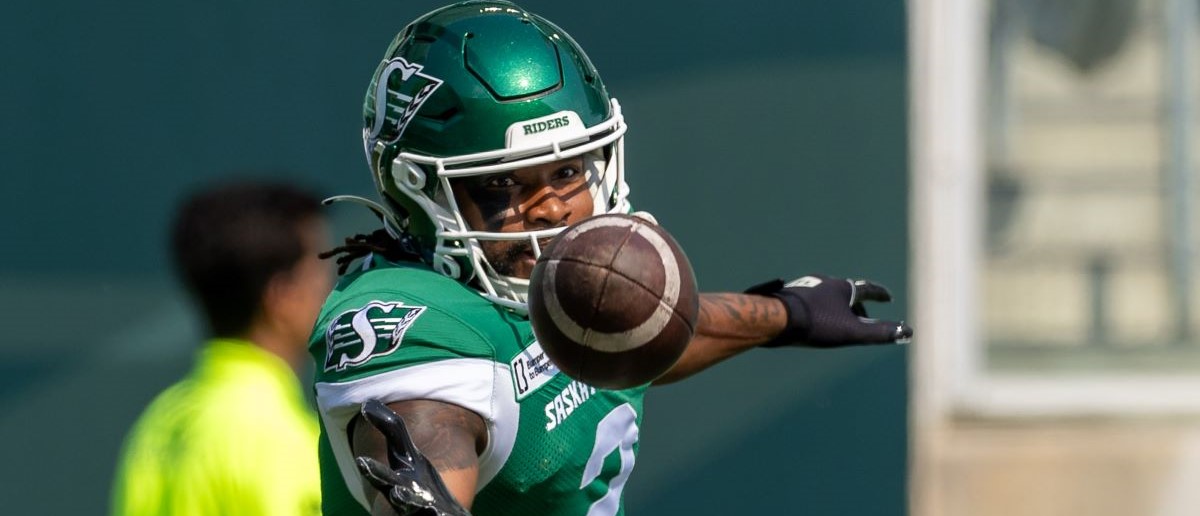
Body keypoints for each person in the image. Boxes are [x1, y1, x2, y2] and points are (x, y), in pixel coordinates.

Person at [310, 2, 914, 515]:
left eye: (568, 170)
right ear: (415, 190)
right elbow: (429, 429)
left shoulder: (568, 294)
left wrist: (784, 314)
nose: (550, 210)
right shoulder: (420, 321)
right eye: (500, 185)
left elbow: (636, 336)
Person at [112, 182, 332, 516]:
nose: (332, 292)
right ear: (282, 297)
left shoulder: (158, 421)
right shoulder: (281, 440)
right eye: (319, 274)